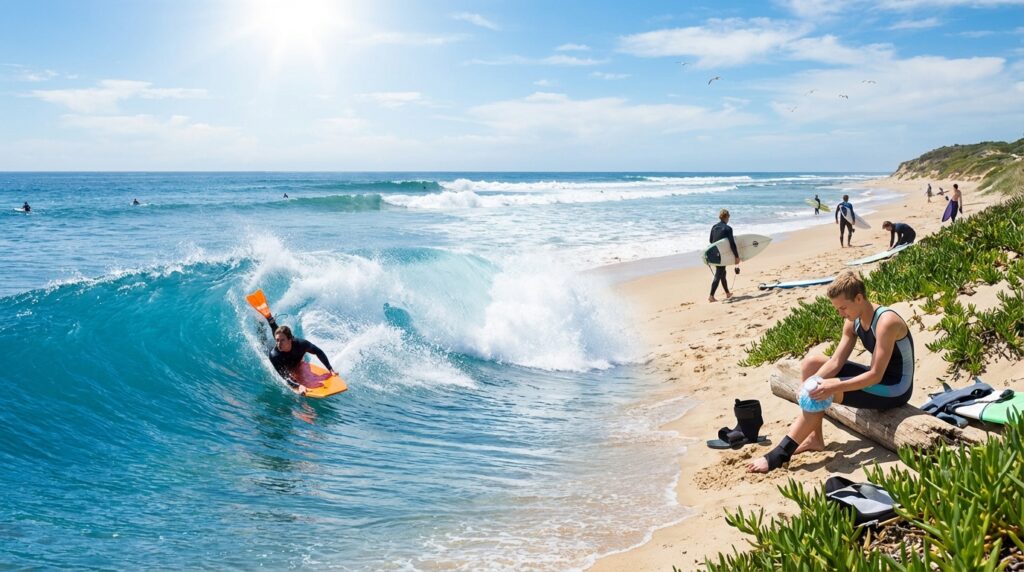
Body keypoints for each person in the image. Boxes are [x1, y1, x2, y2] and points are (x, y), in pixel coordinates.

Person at [748, 271, 914, 473]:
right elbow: (835, 361)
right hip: (878, 378)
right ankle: (815, 437)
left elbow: (876, 375)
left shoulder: (886, 323)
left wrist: (833, 385)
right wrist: (810, 382)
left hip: (896, 387)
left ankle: (780, 453)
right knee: (812, 364)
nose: (841, 313)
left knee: (820, 392)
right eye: (837, 309)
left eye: (843, 307)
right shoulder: (853, 320)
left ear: (859, 298)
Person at [261, 314, 337, 395]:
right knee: (263, 342)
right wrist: (298, 386)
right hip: (272, 351)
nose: (279, 344)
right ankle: (261, 325)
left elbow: (318, 351)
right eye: (277, 340)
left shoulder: (301, 344)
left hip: (293, 359)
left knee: (280, 334)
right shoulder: (274, 355)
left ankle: (271, 321)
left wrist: (330, 369)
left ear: (290, 339)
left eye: (282, 340)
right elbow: (284, 377)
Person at [708, 208, 739, 302]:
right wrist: (736, 256)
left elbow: (710, 240)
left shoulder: (714, 227)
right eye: (729, 217)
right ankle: (711, 296)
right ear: (727, 217)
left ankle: (727, 293)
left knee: (722, 273)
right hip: (722, 254)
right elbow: (732, 244)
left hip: (713, 253)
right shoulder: (728, 228)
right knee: (719, 274)